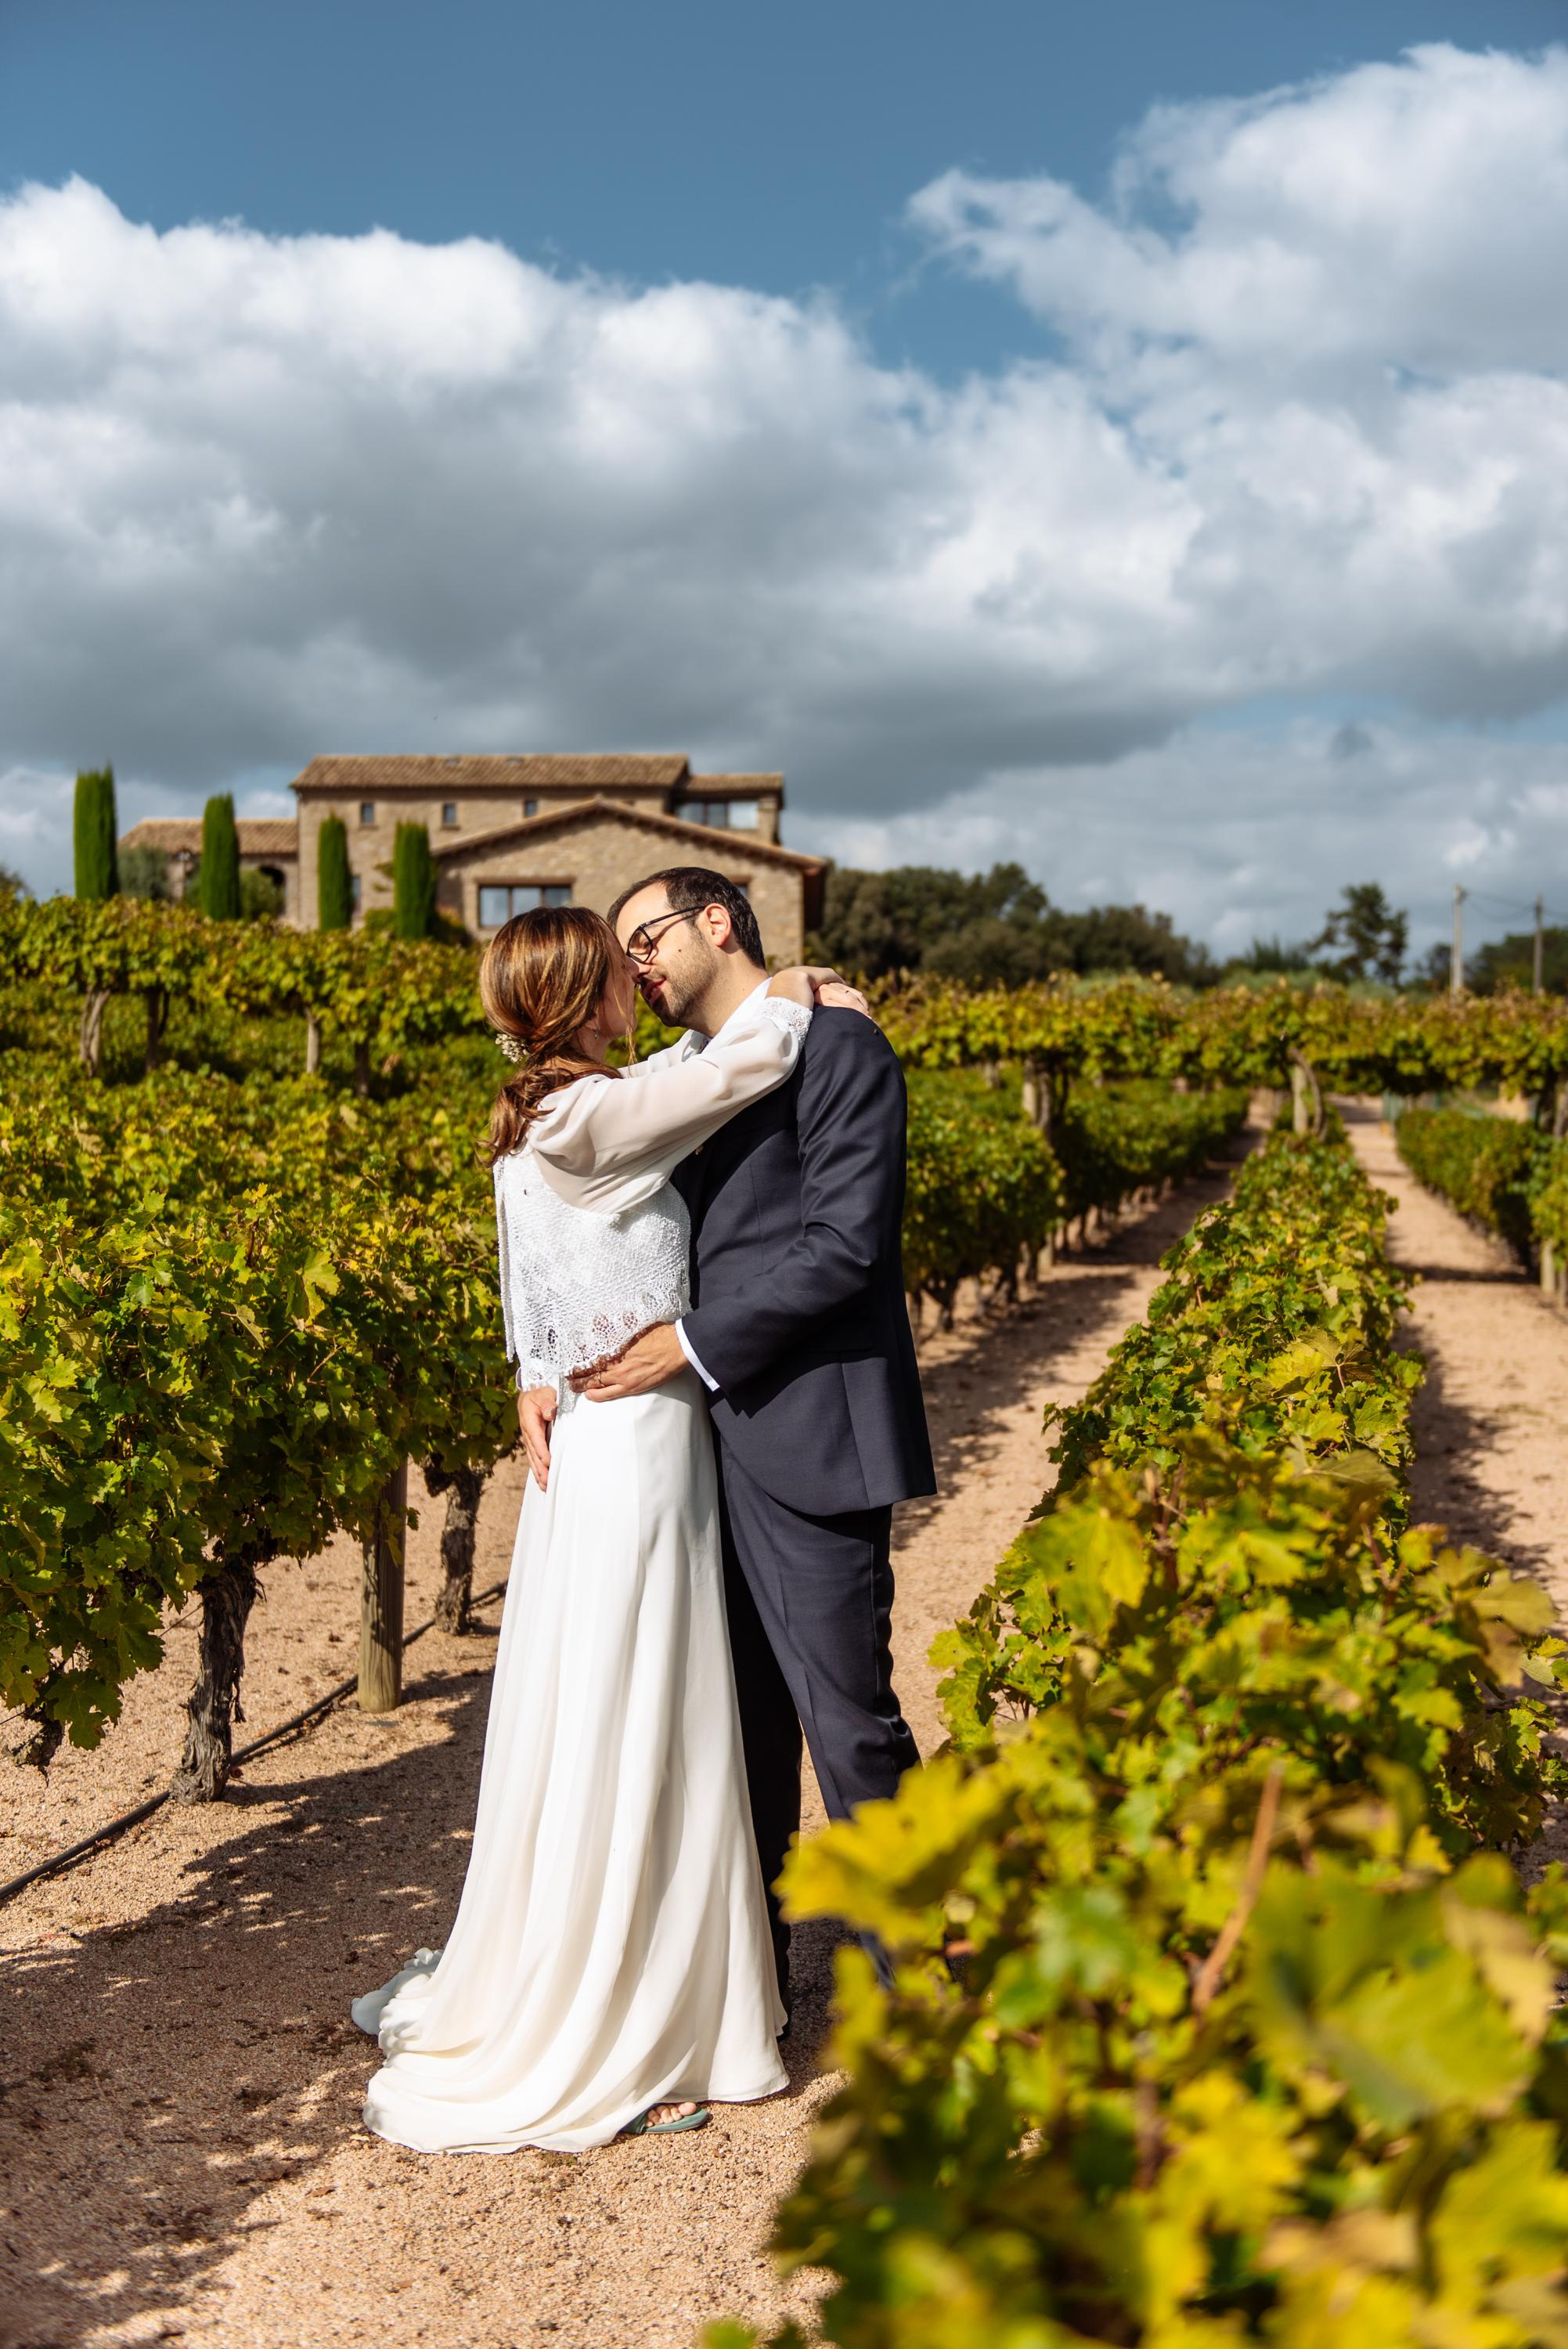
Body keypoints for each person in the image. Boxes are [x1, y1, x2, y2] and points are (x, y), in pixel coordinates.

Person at [351, 907, 859, 2152]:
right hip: (635, 1450)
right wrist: (795, 981)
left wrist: (535, 1370)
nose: (641, 981)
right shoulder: (585, 1119)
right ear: (583, 996)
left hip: (603, 1439)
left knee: (615, 1708)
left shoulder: (552, 1116)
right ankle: (631, 2019)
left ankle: (634, 1974)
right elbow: (742, 1061)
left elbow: (527, 1279)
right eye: (618, 969)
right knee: (640, 1716)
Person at [519, 868, 935, 2026]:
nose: (635, 963)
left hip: (804, 1430)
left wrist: (687, 1350)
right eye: (621, 951)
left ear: (718, 922)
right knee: (738, 1728)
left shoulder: (841, 1051)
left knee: (848, 1722)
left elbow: (846, 1247)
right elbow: (578, 1241)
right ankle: (755, 1991)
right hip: (697, 1452)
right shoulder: (675, 1083)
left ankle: (924, 1997)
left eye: (646, 936)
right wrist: (544, 1370)